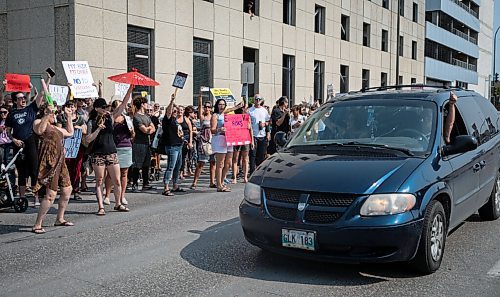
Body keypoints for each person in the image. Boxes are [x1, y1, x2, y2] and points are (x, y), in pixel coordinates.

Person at [86, 85, 133, 215]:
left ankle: (118, 203)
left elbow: (123, 105)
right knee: (99, 180)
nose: (105, 109)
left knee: (117, 180)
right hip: (98, 154)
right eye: (103, 107)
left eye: (106, 107)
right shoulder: (91, 121)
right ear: (96, 108)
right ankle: (101, 206)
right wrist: (98, 129)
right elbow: (88, 139)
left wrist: (130, 90)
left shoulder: (110, 117)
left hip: (112, 151)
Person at [31, 103, 74, 234]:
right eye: (52, 113)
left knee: (67, 190)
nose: (54, 115)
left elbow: (70, 133)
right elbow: (39, 130)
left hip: (60, 161)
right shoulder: (38, 121)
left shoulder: (55, 127)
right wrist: (46, 114)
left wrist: (68, 116)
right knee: (51, 194)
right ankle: (37, 224)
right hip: (49, 162)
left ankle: (60, 218)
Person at [4, 80, 43, 207]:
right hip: (18, 144)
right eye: (20, 98)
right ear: (15, 101)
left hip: (30, 141)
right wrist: (13, 139)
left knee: (34, 170)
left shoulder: (31, 109)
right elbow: (8, 131)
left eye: (23, 97)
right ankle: (22, 197)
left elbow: (41, 95)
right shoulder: (11, 114)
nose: (23, 100)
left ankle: (36, 197)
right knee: (21, 171)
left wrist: (45, 80)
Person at [104, 99, 134, 206]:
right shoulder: (110, 118)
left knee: (124, 173)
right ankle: (107, 195)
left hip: (126, 146)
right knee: (111, 174)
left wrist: (132, 131)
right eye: (119, 105)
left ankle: (122, 196)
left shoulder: (127, 119)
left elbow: (132, 135)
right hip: (114, 147)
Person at [56, 101, 87, 200]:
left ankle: (76, 190)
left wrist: (79, 128)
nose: (71, 108)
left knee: (76, 169)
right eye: (69, 106)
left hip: (77, 147)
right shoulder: (61, 118)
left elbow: (85, 130)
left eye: (73, 106)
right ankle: (65, 188)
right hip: (65, 147)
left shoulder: (80, 119)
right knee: (65, 168)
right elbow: (58, 130)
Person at [211, 99, 244, 192]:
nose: (221, 106)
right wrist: (219, 129)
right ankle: (219, 185)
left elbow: (231, 110)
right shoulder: (215, 115)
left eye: (223, 104)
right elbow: (212, 130)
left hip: (229, 139)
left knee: (228, 163)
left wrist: (238, 106)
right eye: (220, 104)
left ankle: (222, 182)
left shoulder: (226, 114)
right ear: (217, 105)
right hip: (220, 138)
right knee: (220, 163)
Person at [161, 93, 185, 196]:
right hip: (172, 146)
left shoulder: (175, 121)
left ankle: (175, 185)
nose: (175, 112)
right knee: (170, 166)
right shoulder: (167, 120)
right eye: (174, 111)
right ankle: (166, 187)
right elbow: (168, 111)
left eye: (176, 111)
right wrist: (171, 101)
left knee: (177, 167)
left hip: (179, 146)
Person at [191, 95, 215, 189]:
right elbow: (200, 109)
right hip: (204, 141)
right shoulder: (202, 117)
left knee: (213, 162)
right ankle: (195, 182)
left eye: (209, 107)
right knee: (201, 162)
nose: (207, 108)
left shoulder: (214, 116)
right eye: (206, 107)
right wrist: (200, 100)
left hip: (212, 141)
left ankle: (212, 182)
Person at [131, 96, 156, 191]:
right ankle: (135, 183)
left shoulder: (146, 116)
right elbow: (145, 130)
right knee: (137, 164)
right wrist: (149, 129)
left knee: (146, 164)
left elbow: (153, 128)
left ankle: (146, 183)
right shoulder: (136, 117)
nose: (147, 105)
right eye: (146, 103)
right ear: (142, 104)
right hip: (139, 143)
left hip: (147, 143)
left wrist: (149, 129)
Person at [248, 94, 270, 174]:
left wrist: (265, 126)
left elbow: (268, 122)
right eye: (256, 99)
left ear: (261, 100)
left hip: (262, 135)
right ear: (254, 100)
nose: (257, 101)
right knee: (252, 155)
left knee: (261, 155)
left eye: (259, 99)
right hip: (253, 135)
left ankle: (260, 172)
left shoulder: (264, 110)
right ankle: (252, 172)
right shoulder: (250, 110)